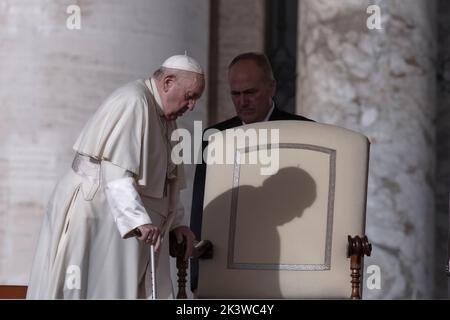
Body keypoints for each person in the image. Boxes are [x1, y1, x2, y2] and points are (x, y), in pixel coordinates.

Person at [27, 54, 205, 299]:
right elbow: (116, 173)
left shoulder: (167, 118)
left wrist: (177, 224)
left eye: (195, 99)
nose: (192, 106)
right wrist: (137, 220)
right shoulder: (134, 101)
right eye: (190, 97)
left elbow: (168, 182)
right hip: (100, 216)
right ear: (167, 83)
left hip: (132, 227)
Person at [189, 52, 313, 292]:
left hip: (288, 267)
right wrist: (197, 275)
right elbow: (201, 208)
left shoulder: (305, 132)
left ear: (271, 87)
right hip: (228, 268)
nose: (242, 102)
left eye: (250, 92)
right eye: (235, 94)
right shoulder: (213, 138)